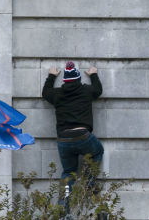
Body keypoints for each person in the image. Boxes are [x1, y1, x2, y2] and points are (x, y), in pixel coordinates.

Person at [42, 61, 104, 204]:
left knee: (68, 173)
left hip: (64, 139)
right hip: (83, 136)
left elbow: (45, 93)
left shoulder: (57, 94)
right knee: (98, 152)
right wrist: (94, 74)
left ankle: (63, 211)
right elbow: (98, 90)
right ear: (78, 79)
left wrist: (51, 76)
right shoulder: (86, 91)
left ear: (64, 80)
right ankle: (89, 182)